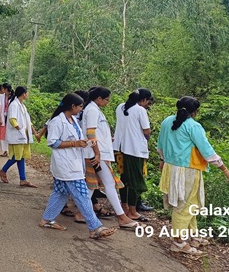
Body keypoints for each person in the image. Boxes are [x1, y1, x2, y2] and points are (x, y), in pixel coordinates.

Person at [158, 96, 229, 257]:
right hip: (186, 170)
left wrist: (162, 160)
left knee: (189, 203)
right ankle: (178, 242)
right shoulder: (193, 126)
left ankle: (193, 235)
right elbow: (206, 150)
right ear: (194, 112)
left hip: (170, 167)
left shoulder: (167, 121)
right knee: (184, 205)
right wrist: (224, 169)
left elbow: (160, 144)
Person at [38, 93, 117, 239]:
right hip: (66, 166)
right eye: (80, 106)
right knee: (82, 196)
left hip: (71, 164)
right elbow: (52, 142)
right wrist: (74, 143)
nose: (81, 109)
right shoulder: (57, 121)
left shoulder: (73, 120)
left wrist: (86, 142)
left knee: (60, 193)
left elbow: (76, 138)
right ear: (72, 106)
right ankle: (95, 227)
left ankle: (47, 219)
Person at [79, 87, 141, 229]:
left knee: (92, 185)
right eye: (107, 99)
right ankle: (122, 217)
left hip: (96, 152)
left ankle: (82, 213)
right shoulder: (93, 110)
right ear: (99, 99)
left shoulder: (92, 109)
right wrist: (97, 152)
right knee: (109, 184)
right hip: (97, 154)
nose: (108, 102)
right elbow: (90, 132)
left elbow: (95, 132)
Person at [114, 88, 154, 222]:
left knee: (124, 178)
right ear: (143, 100)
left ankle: (124, 208)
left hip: (119, 148)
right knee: (135, 181)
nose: (148, 105)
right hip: (134, 150)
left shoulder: (120, 107)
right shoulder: (140, 110)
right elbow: (146, 130)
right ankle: (132, 211)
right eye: (148, 102)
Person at [0, 86, 36, 187]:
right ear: (23, 94)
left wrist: (34, 132)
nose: (27, 95)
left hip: (23, 135)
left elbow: (28, 121)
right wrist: (20, 130)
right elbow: (12, 119)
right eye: (26, 93)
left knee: (21, 156)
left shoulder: (22, 105)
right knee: (17, 156)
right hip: (18, 135)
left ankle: (23, 179)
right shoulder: (14, 105)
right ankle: (3, 170)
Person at [0, 83, 12, 157]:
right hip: (2, 116)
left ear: (5, 89)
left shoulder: (13, 97)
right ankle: (5, 150)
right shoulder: (1, 97)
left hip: (10, 117)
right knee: (3, 134)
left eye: (3, 88)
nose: (2, 90)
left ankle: (9, 150)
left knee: (9, 134)